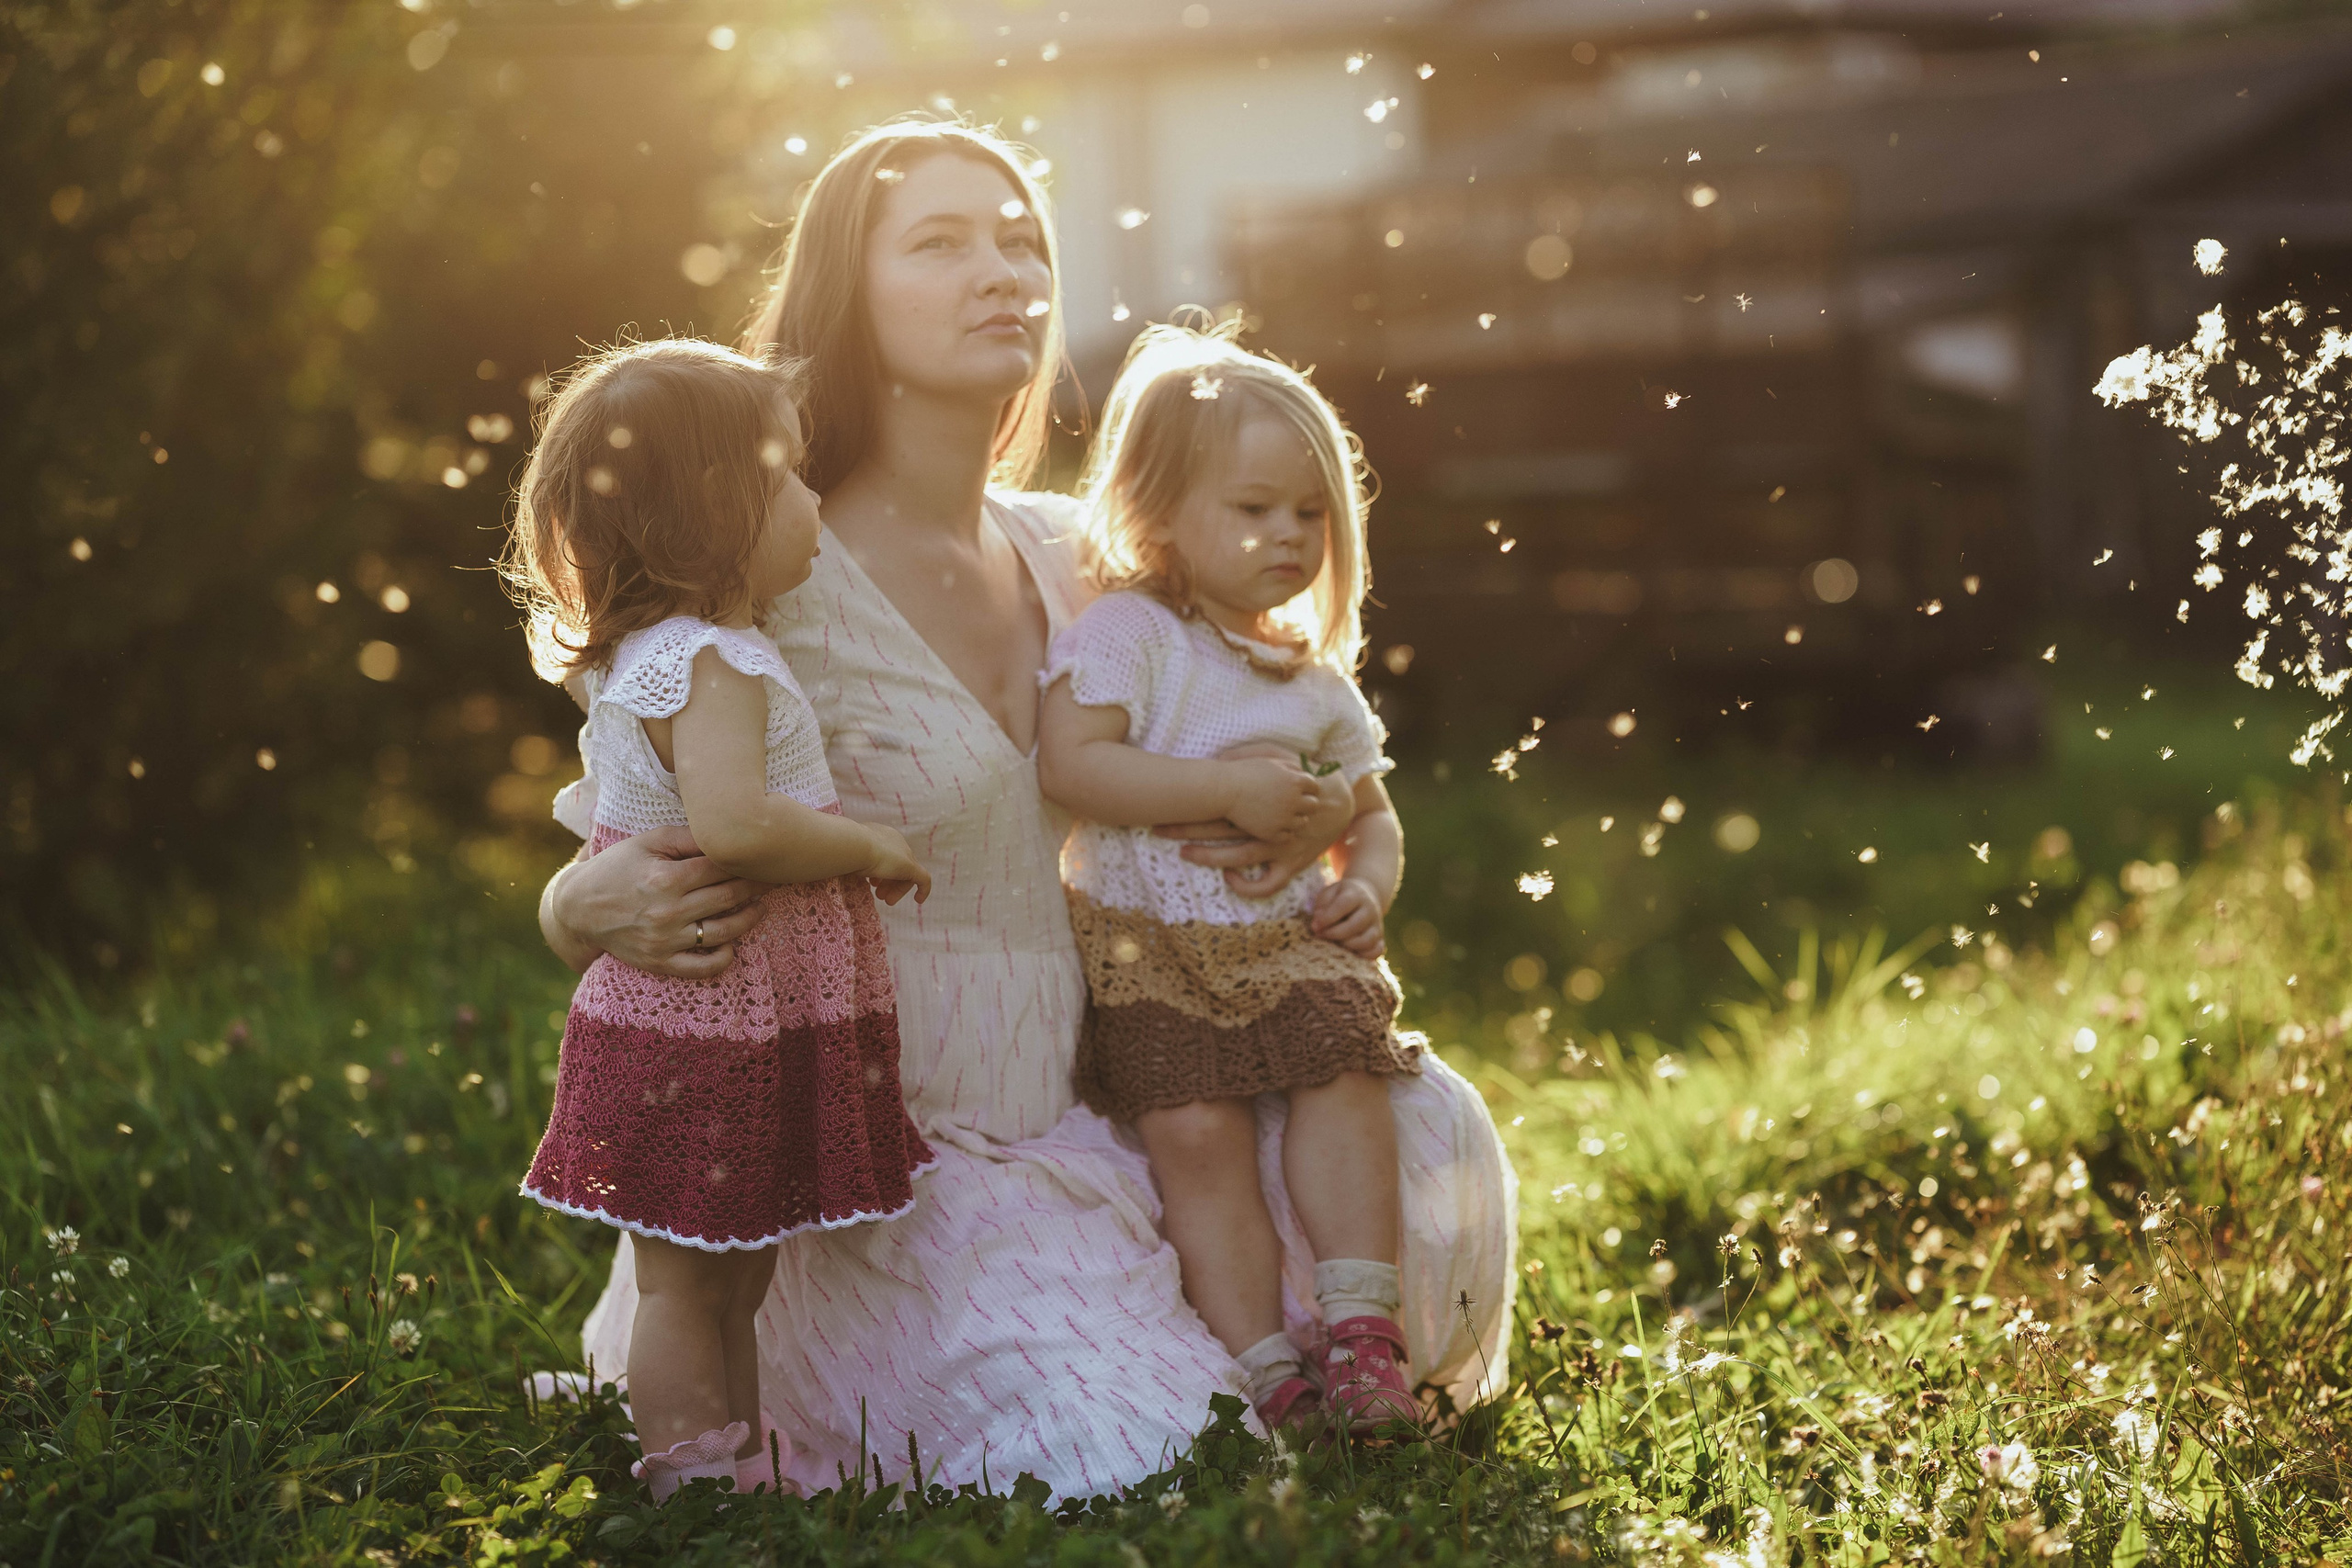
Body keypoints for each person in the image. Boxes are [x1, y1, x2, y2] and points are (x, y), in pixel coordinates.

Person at [540, 118, 1518, 1500]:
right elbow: (619, 806)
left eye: (1019, 240)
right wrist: (571, 902)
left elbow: (1252, 714)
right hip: (883, 1141)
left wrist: (1305, 822)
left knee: (1427, 1145)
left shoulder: (1078, 555)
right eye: (940, 243)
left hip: (1099, 1083)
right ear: (847, 295)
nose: (1003, 271)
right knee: (1170, 1450)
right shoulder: (767, 567)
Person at [505, 339, 935, 1500]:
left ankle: (737, 1458)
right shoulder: (706, 662)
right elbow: (739, 826)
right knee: (691, 1280)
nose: (810, 500)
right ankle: (690, 1481)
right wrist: (869, 845)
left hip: (713, 1016)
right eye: (789, 478)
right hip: (703, 1027)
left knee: (729, 1269)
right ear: (714, 512)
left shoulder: (674, 656)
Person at [1037, 322, 1421, 1433]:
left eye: (1309, 514)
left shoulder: (1310, 681)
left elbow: (1371, 812)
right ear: (1158, 512)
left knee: (1344, 1076)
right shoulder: (1130, 636)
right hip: (1144, 948)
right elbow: (1074, 766)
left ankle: (1362, 1339)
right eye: (1254, 510)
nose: (1288, 536)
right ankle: (1264, 1366)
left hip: (1289, 940)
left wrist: (1371, 885)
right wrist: (1228, 791)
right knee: (1193, 1137)